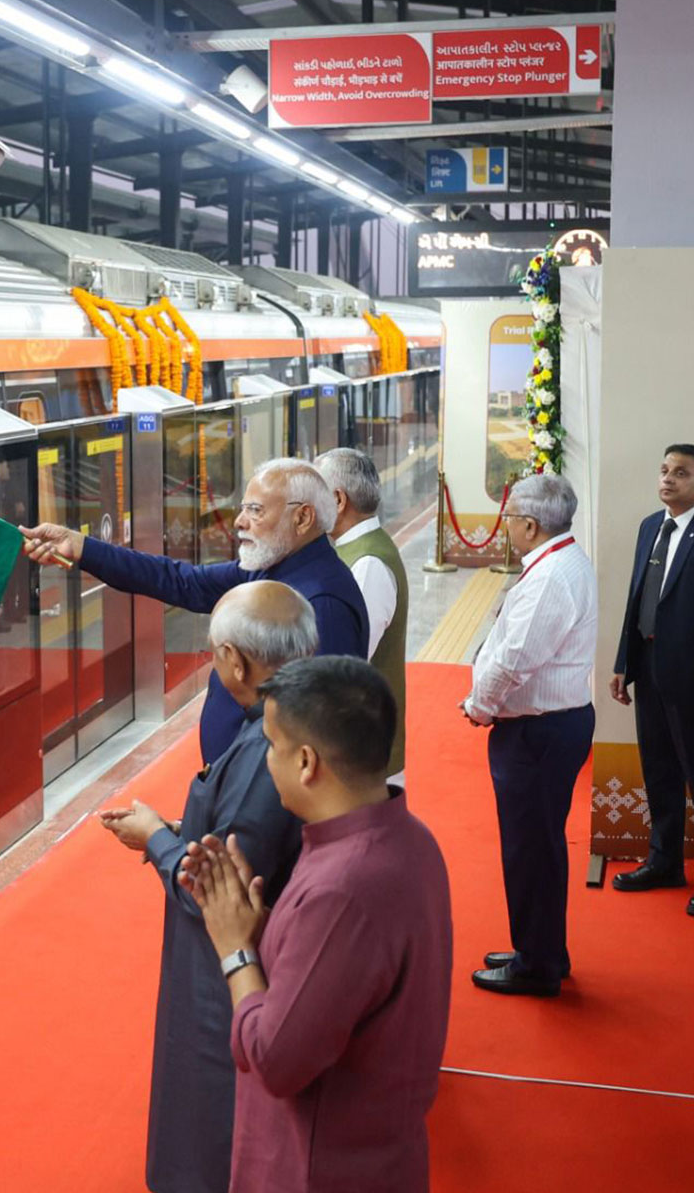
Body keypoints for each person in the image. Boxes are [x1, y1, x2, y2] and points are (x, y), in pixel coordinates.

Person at [182, 656, 452, 1193]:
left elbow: (276, 1059)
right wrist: (265, 936)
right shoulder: (407, 839)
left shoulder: (343, 887)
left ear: (307, 762)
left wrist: (236, 950)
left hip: (318, 1166)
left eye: (271, 746)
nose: (266, 762)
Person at [97, 582, 313, 1193]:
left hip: (222, 980)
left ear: (236, 663)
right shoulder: (289, 721)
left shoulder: (261, 749)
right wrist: (180, 828)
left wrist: (157, 840)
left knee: (208, 1122)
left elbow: (218, 889)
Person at [21, 458, 368, 764]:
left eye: (256, 510)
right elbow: (179, 580)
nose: (239, 522)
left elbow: (319, 739)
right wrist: (82, 548)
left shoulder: (323, 604)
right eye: (243, 508)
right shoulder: (271, 570)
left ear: (303, 517)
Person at [461, 472, 597, 996]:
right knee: (537, 846)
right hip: (546, 728)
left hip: (538, 733)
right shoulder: (558, 562)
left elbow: (517, 659)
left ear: (531, 525)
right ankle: (539, 950)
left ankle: (536, 967)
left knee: (530, 849)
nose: (506, 525)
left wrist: (480, 706)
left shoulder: (550, 578)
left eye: (510, 516)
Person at [609, 444, 694, 907]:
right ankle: (664, 861)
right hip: (649, 668)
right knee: (658, 769)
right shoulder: (649, 527)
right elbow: (636, 598)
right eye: (664, 470)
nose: (668, 480)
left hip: (689, 675)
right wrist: (625, 662)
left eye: (680, 473)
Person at [315, 447, 408, 781]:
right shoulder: (356, 550)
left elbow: (350, 657)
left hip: (362, 743)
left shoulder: (368, 563)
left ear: (339, 500)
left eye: (315, 494)